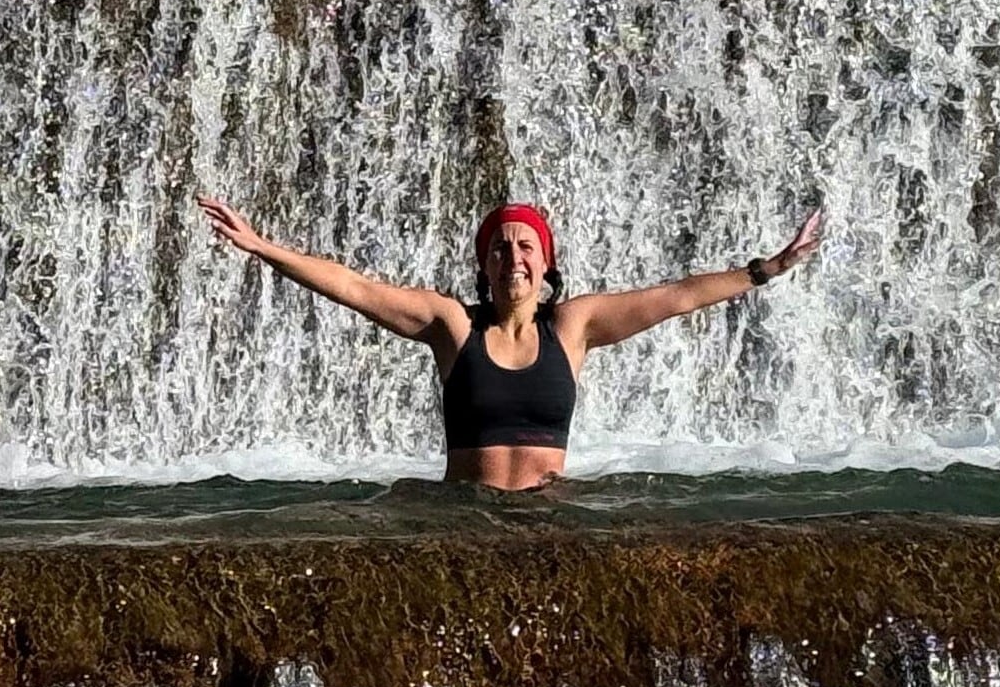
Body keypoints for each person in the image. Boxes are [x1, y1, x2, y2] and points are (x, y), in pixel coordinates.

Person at [197, 196, 823, 490]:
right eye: (500, 248)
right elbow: (354, 288)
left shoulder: (573, 326)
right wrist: (262, 247)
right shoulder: (452, 326)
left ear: (546, 266)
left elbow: (677, 296)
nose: (512, 257)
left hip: (548, 520)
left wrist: (764, 269)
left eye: (526, 247)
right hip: (464, 517)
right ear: (485, 267)